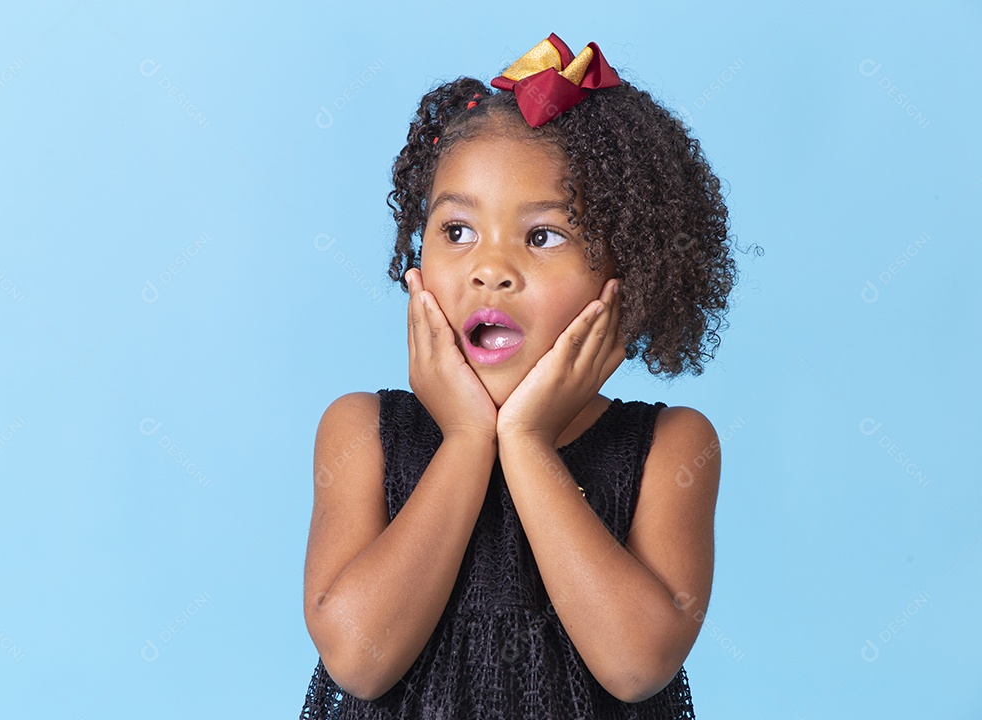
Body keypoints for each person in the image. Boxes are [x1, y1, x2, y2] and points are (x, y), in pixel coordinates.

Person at [300, 32, 754, 719]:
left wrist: (528, 443)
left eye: (542, 237)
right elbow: (359, 662)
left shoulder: (674, 447)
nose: (491, 269)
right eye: (457, 231)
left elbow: (637, 667)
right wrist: (464, 442)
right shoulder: (360, 431)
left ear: (626, 273)